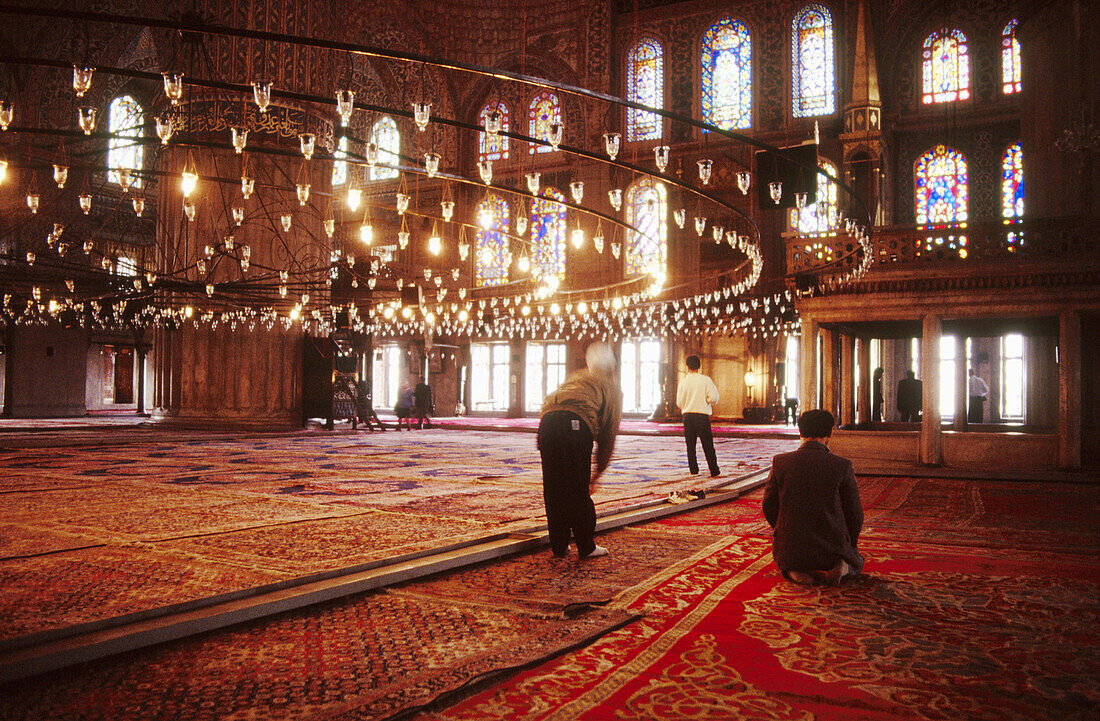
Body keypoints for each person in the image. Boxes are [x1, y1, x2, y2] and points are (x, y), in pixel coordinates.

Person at [538, 342, 622, 559]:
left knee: (554, 488)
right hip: (574, 426)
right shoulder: (611, 388)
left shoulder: (576, 378)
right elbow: (608, 436)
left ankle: (559, 546)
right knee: (577, 490)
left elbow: (553, 406)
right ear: (612, 367)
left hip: (547, 425)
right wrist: (597, 473)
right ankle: (586, 546)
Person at [762, 409, 864, 586]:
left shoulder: (781, 462)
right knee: (857, 560)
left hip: (790, 549)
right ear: (830, 433)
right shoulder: (842, 466)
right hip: (832, 549)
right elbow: (855, 514)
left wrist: (782, 529)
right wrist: (849, 544)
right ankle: (842, 566)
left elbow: (769, 506)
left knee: (790, 560)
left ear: (800, 432)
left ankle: (795, 571)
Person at [675, 354, 721, 477]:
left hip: (688, 416)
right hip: (701, 415)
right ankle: (714, 470)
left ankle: (694, 470)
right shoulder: (706, 380)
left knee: (690, 445)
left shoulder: (683, 382)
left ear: (687, 366)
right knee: (707, 444)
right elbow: (713, 398)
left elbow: (679, 402)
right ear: (699, 366)